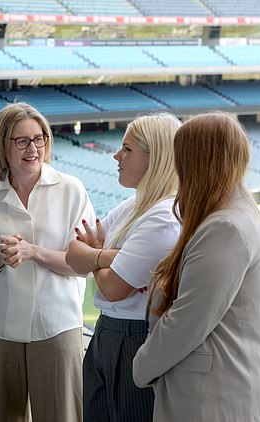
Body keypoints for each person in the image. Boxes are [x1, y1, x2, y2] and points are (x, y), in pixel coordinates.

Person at [132, 112, 260, 421]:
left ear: (198, 162)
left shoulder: (226, 228)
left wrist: (141, 367)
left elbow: (186, 323)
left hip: (220, 402)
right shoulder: (230, 216)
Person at [0, 102, 95, 422]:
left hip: (57, 327)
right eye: (21, 141)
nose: (33, 148)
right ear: (3, 145)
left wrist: (34, 252)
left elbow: (84, 263)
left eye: (39, 139)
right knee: (6, 416)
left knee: (61, 416)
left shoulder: (71, 190)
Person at [65, 113, 182, 422]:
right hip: (108, 332)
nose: (117, 156)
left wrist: (95, 254)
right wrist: (104, 256)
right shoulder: (136, 205)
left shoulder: (162, 217)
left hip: (134, 337)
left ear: (155, 157)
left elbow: (113, 288)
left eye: (127, 149)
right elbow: (72, 253)